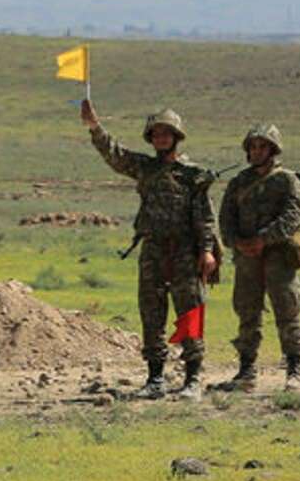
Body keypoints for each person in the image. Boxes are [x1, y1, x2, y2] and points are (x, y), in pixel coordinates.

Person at [80, 99, 221, 399]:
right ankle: (155, 379)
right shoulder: (145, 168)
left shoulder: (192, 175)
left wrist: (207, 250)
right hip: (153, 250)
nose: (161, 139)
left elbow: (205, 217)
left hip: (185, 252)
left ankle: (192, 380)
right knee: (151, 313)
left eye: (166, 134)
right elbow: (115, 155)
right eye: (156, 134)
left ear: (176, 137)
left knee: (190, 313)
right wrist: (95, 127)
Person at [216, 123, 300, 392]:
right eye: (253, 147)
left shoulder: (287, 180)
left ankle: (294, 369)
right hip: (247, 259)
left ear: (273, 149)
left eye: (262, 146)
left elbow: (292, 217)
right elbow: (226, 219)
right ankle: (246, 371)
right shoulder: (239, 183)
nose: (257, 151)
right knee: (247, 312)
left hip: (279, 257)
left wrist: (263, 239)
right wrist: (237, 243)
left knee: (287, 310)